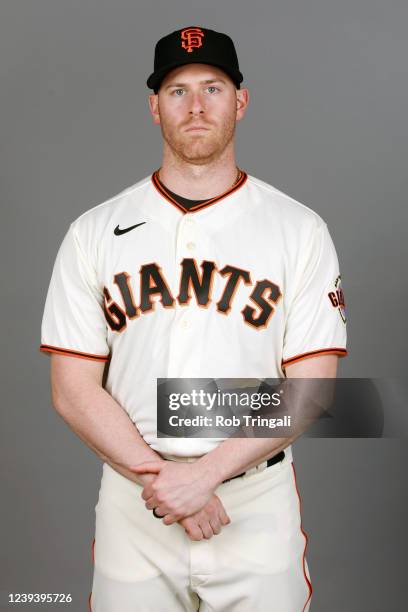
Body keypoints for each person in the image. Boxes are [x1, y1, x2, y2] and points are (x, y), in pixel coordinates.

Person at [39, 26, 347, 612]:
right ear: (154, 107)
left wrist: (205, 474)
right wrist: (165, 480)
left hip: (254, 501)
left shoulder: (298, 229)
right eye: (178, 91)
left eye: (214, 87)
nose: (197, 105)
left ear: (242, 100)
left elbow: (313, 388)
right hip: (138, 506)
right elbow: (72, 389)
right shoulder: (93, 232)